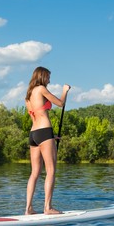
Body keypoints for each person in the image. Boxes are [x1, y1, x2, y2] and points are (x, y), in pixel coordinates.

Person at [24, 66, 70, 215]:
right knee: (51, 170)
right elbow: (60, 103)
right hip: (44, 131)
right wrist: (65, 91)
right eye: (48, 77)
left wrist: (50, 138)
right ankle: (48, 208)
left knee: (34, 173)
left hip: (34, 134)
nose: (49, 80)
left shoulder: (28, 95)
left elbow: (35, 117)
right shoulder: (41, 89)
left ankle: (28, 208)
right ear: (42, 76)